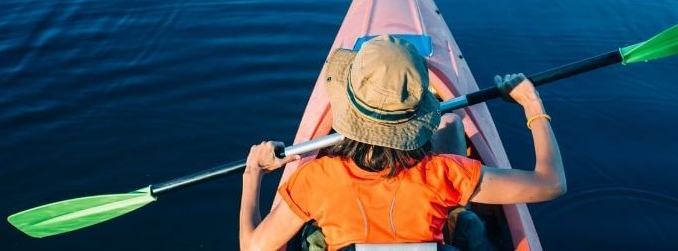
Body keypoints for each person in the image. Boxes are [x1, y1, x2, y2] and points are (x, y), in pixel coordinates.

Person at [239, 35, 566, 251]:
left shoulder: (315, 179)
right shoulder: (447, 174)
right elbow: (551, 184)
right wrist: (532, 104)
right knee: (466, 212)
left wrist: (253, 173)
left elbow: (253, 245)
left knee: (313, 237)